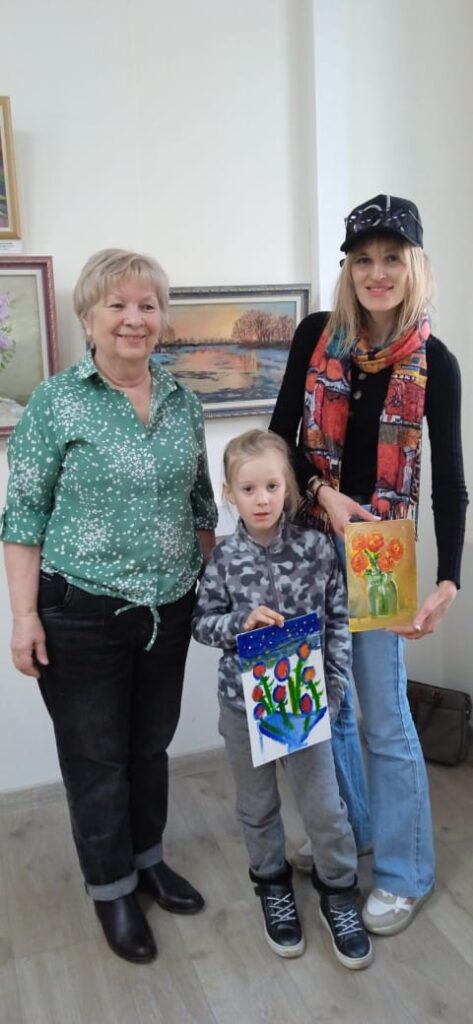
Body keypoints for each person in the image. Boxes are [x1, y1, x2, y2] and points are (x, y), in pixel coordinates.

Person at [1, 248, 218, 964]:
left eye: (147, 305)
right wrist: (24, 617)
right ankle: (112, 888)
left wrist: (209, 585)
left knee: (149, 744)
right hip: (81, 610)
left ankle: (148, 858)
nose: (134, 318)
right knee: (96, 758)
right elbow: (23, 518)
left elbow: (200, 506)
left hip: (168, 608)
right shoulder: (56, 402)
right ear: (88, 317)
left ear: (162, 317)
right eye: (117, 304)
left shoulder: (184, 402)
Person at [270, 194, 469, 936]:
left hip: (381, 550)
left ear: (413, 266)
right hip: (301, 538)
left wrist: (448, 579)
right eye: (362, 259)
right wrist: (324, 493)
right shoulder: (315, 335)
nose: (376, 272)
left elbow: (449, 481)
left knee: (383, 714)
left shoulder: (434, 362)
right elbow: (279, 439)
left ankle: (404, 872)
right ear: (347, 268)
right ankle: (346, 830)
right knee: (312, 707)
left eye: (391, 258)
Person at [192, 429, 373, 970]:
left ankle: (339, 892)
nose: (262, 499)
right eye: (249, 489)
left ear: (290, 487)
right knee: (257, 806)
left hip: (304, 702)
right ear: (230, 493)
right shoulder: (223, 560)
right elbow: (201, 624)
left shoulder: (316, 550)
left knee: (325, 807)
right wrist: (239, 623)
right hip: (242, 706)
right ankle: (272, 886)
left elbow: (338, 623)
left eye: (272, 486)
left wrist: (333, 691)